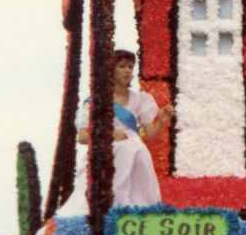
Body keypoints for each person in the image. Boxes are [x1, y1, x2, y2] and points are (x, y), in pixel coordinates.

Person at [58, 50, 174, 215]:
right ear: (111, 70)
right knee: (123, 150)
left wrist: (161, 121)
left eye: (130, 66)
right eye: (122, 66)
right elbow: (82, 137)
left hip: (135, 150)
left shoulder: (140, 99)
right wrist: (107, 135)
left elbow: (151, 135)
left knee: (136, 151)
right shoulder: (96, 101)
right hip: (107, 149)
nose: (127, 70)